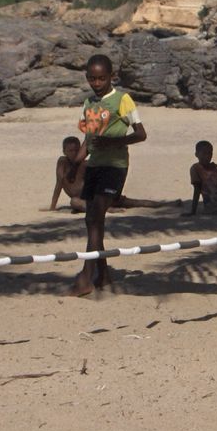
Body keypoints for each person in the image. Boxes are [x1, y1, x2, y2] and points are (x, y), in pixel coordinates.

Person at [71, 54, 145, 296]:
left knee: (94, 218)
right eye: (92, 79)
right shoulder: (88, 103)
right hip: (93, 168)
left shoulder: (122, 100)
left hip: (114, 166)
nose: (97, 83)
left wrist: (114, 142)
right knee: (92, 222)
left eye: (101, 78)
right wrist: (76, 163)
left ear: (111, 76)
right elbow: (88, 138)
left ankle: (85, 277)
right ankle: (103, 274)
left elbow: (140, 134)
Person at [48, 136, 179, 214]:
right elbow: (59, 183)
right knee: (75, 202)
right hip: (84, 199)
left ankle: (168, 205)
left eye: (77, 150)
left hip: (98, 196)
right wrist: (53, 206)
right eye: (70, 150)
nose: (74, 153)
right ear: (64, 151)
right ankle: (106, 208)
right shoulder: (62, 162)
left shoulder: (85, 164)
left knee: (133, 202)